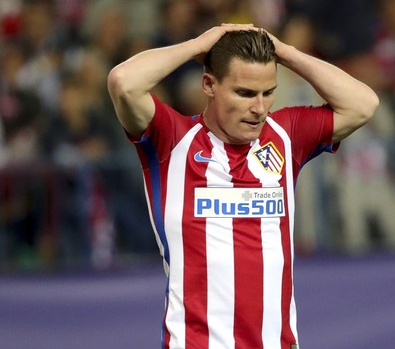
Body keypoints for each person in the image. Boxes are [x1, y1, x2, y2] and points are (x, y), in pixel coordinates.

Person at [107, 23, 378, 349]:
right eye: (245, 93)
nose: (260, 108)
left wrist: (285, 52)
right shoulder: (172, 140)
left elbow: (363, 104)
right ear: (209, 84)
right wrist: (197, 44)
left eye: (268, 92)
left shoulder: (286, 136)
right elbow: (123, 83)